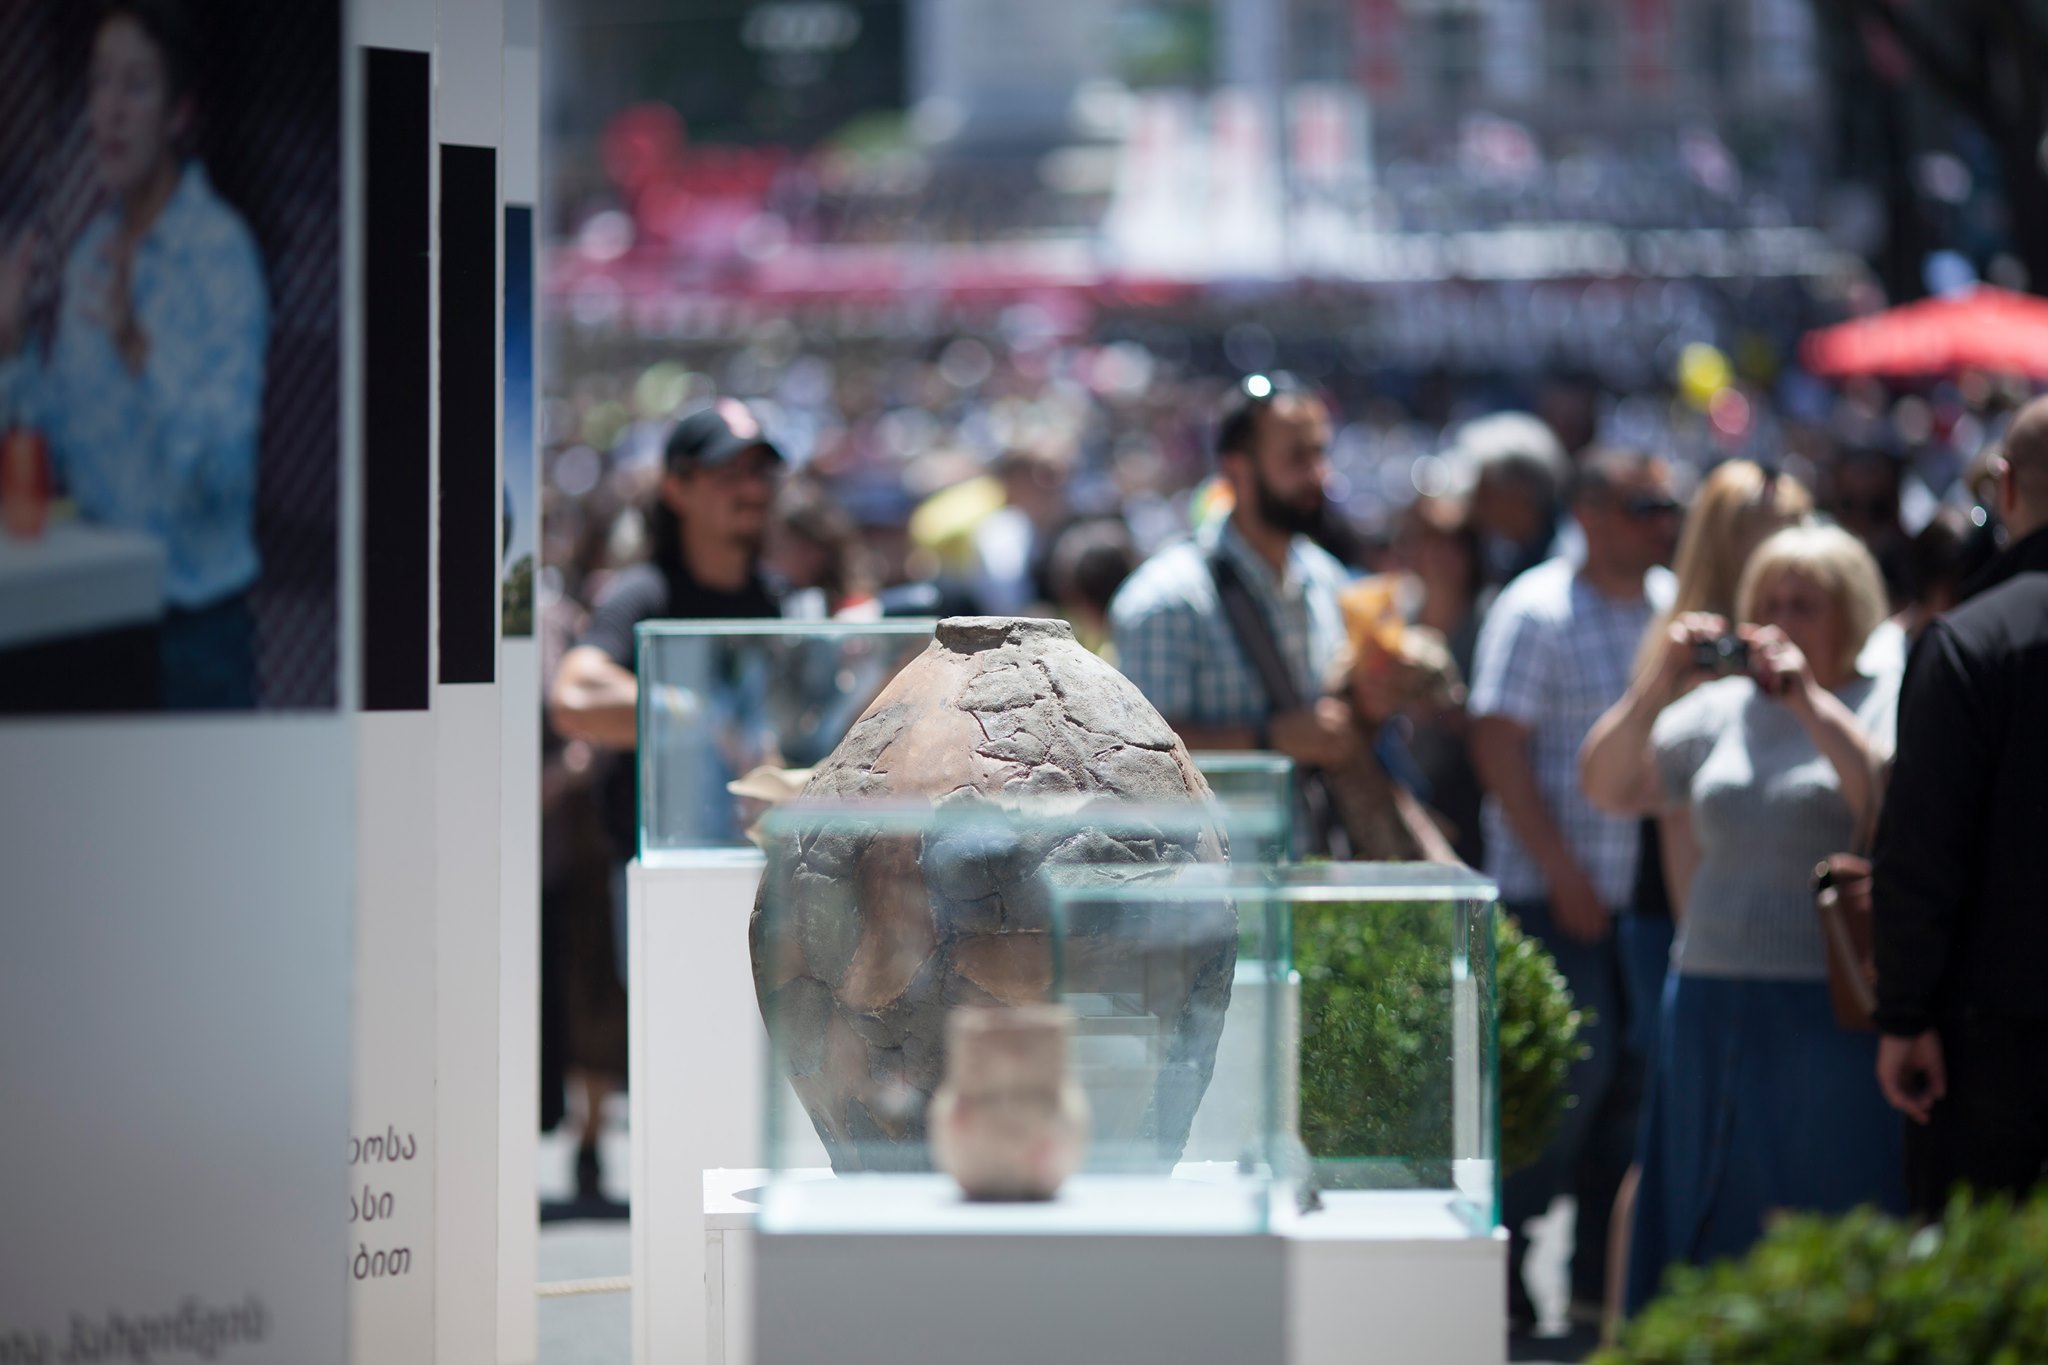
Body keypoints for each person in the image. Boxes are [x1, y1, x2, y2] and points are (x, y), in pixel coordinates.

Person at [1613, 524, 1903, 1310]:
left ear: (1851, 613)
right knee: (1705, 1199)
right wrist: (1659, 679)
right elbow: (1607, 784)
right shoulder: (1717, 708)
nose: (1783, 620)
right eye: (1769, 603)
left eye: (1805, 604)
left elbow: (1885, 803)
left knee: (1821, 1200)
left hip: (1822, 1000)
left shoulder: (1882, 693)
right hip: (1709, 986)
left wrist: (1810, 702)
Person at [1576, 458, 1812, 1332]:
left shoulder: (1802, 647)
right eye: (1769, 535)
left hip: (1750, 931)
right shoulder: (1688, 643)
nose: (1790, 549)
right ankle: (1636, 1332)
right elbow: (1617, 783)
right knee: (1670, 1145)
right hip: (1687, 927)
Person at [547, 397, 784, 1206]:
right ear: (678, 487)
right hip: (667, 882)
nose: (751, 488)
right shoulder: (642, 595)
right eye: (729, 472)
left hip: (761, 875)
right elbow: (575, 695)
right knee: (683, 1079)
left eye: (761, 471)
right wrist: (688, 709)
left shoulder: (773, 599)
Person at [0, 0, 269, 707]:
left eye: (135, 85)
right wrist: (13, 346)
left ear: (178, 114)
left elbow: (223, 470)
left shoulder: (222, 255)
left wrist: (138, 348)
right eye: (100, 82)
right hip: (92, 625)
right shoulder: (90, 254)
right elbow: (59, 454)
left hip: (195, 639)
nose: (110, 110)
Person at [1466, 446, 1679, 1328]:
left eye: (1666, 508)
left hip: (1648, 902)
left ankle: (1597, 1281)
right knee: (1558, 1095)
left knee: (1631, 1093)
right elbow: (1497, 743)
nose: (1660, 524)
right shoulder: (1537, 608)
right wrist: (1560, 868)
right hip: (1553, 897)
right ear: (1588, 513)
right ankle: (1506, 1261)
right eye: (1641, 507)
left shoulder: (1671, 606)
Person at [1872, 396, 2048, 1216]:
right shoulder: (1971, 642)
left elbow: (1919, 847)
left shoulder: (1970, 642)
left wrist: (1904, 1014)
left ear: (2005, 488)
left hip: (1992, 1042)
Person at [1110, 374, 1361, 851]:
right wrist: (1268, 738)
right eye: (1297, 458)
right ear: (1237, 471)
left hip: (1320, 865)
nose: (1320, 476)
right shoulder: (1165, 602)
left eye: (1320, 454)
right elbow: (1138, 762)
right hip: (1220, 883)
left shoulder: (1327, 578)